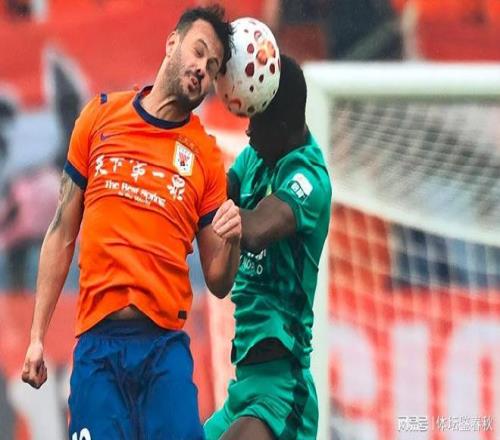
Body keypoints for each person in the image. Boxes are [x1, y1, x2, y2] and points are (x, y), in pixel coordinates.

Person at [21, 5, 241, 439]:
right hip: (98, 351)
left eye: (213, 67)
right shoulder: (99, 116)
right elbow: (62, 233)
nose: (202, 68)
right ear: (172, 43)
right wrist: (36, 337)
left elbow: (218, 280)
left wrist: (233, 238)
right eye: (198, 51)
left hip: (163, 351)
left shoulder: (205, 156)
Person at [204, 55, 332, 440]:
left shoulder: (310, 179)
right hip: (243, 390)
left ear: (282, 127)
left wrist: (211, 210)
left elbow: (257, 228)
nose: (248, 131)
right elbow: (214, 196)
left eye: (256, 120)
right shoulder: (254, 159)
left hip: (282, 393)